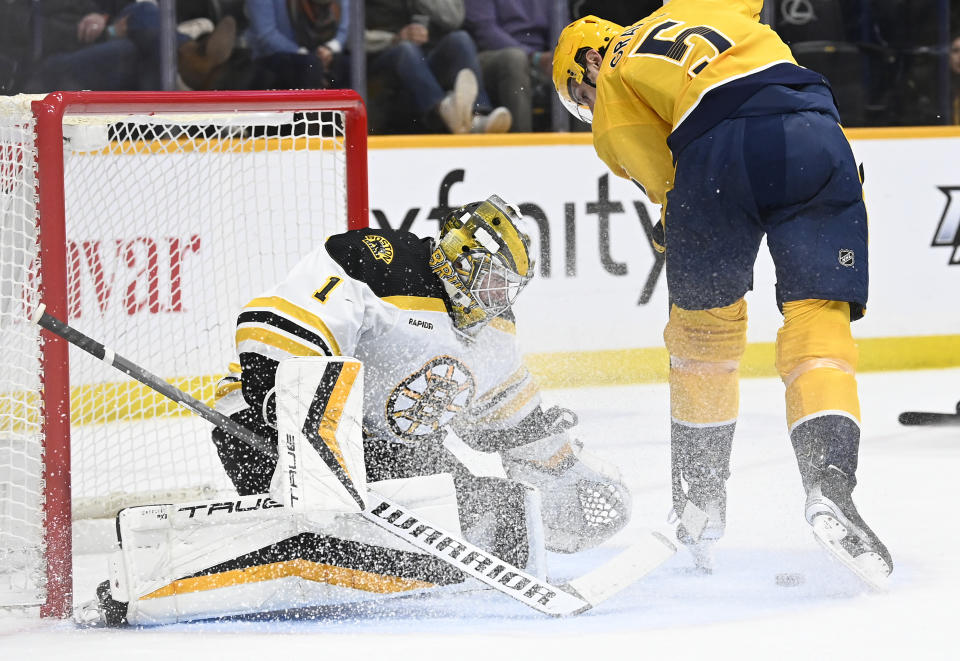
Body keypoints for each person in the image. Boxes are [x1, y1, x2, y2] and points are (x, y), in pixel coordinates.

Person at [89, 195, 631, 625]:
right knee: (341, 522)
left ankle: (338, 550)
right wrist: (312, 444)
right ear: (460, 259)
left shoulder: (494, 330)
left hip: (380, 448)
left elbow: (512, 416)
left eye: (508, 288)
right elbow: (272, 330)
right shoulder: (381, 262)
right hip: (266, 421)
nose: (498, 298)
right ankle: (172, 571)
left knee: (504, 518)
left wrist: (560, 468)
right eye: (491, 281)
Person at [552, 2, 893, 586]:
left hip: (718, 154)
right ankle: (832, 488)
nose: (588, 105)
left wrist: (676, 222)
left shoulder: (610, 77)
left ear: (587, 58)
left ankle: (700, 500)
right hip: (816, 131)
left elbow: (666, 178)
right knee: (821, 325)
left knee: (703, 339)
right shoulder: (691, 5)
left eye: (578, 94)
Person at [365, 0, 512, 134]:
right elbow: (352, 37)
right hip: (384, 59)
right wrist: (394, 38)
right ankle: (443, 110)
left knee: (460, 39)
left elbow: (455, 18)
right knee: (406, 49)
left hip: (429, 57)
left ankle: (476, 116)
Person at [463, 0, 553, 132]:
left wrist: (559, 53)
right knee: (515, 59)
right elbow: (486, 31)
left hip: (541, 58)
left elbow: (563, 28)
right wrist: (534, 56)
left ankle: (583, 144)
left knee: (579, 66)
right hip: (489, 57)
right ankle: (521, 144)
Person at [244, 0, 350, 90]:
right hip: (273, 59)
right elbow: (266, 35)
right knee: (310, 65)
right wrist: (305, 54)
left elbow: (345, 27)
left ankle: (349, 113)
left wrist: (329, 49)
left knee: (349, 65)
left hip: (321, 54)